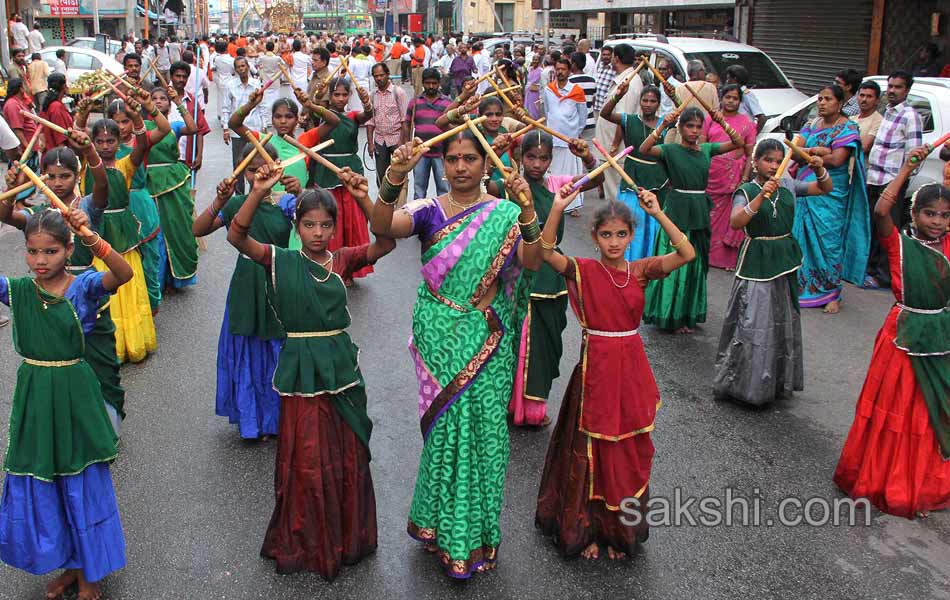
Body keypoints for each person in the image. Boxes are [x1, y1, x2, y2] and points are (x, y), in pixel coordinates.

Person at [370, 132, 542, 578]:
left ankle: (475, 533)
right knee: (446, 430)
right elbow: (383, 226)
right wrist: (392, 178)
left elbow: (533, 261)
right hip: (439, 332)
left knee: (485, 436)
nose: (461, 167)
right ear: (443, 164)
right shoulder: (429, 211)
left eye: (470, 158)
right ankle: (437, 525)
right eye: (453, 159)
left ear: (487, 164)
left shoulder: (504, 213)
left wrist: (527, 211)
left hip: (488, 336)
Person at [228, 163, 394, 580]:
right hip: (300, 372)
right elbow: (236, 236)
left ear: (335, 228)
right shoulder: (278, 261)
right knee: (305, 455)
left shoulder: (342, 260)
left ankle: (345, 535)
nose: (318, 232)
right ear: (297, 227)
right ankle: (306, 538)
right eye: (308, 225)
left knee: (345, 449)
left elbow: (386, 243)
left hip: (340, 370)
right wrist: (257, 191)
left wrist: (361, 196)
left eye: (325, 225)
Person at [535, 187, 695, 561]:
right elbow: (544, 253)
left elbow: (686, 253)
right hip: (595, 371)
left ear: (631, 235)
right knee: (589, 451)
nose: (614, 241)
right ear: (594, 237)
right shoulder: (584, 270)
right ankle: (589, 528)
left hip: (630, 369)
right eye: (606, 234)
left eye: (621, 234)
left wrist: (657, 213)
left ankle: (618, 530)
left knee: (626, 448)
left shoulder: (640, 271)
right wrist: (557, 208)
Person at [0, 204, 131, 600]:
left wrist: (92, 236)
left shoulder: (84, 286)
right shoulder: (18, 290)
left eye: (51, 251)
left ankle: (91, 573)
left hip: (75, 395)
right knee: (49, 479)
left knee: (80, 480)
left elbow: (123, 274)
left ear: (69, 249)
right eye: (33, 251)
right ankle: (70, 566)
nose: (40, 261)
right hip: (35, 396)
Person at [833, 155, 950, 519]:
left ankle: (922, 479)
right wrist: (905, 171)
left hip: (941, 338)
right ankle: (887, 479)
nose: (937, 222)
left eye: (945, 215)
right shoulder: (899, 245)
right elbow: (882, 212)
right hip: (902, 338)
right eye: (930, 213)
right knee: (897, 409)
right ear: (914, 214)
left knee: (930, 412)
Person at [2, 139, 125, 432]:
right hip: (49, 301)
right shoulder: (39, 217)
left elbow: (103, 187)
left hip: (88, 296)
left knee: (102, 369)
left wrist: (91, 152)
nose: (57, 183)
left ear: (76, 174)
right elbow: (5, 215)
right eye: (50, 176)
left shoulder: (86, 209)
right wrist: (10, 190)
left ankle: (105, 429)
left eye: (65, 176)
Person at [192, 143, 301, 440]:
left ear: (277, 168)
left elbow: (315, 225)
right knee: (249, 345)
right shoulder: (237, 203)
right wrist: (219, 200)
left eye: (263, 169)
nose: (258, 176)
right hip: (246, 283)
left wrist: (301, 193)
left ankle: (282, 416)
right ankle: (253, 419)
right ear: (242, 170)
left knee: (278, 344)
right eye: (251, 170)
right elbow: (198, 230)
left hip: (279, 276)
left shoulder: (286, 203)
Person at [713, 139, 833, 406]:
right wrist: (761, 196)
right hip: (757, 263)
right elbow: (736, 221)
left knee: (782, 321)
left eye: (779, 161)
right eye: (768, 160)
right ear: (755, 162)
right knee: (754, 322)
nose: (774, 166)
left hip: (784, 262)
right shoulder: (746, 190)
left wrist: (819, 169)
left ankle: (776, 382)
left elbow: (824, 188)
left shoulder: (788, 184)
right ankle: (745, 385)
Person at [508, 131, 602, 427]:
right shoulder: (512, 184)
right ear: (521, 158)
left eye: (544, 158)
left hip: (552, 270)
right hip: (521, 266)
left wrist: (585, 155)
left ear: (551, 159)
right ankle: (510, 405)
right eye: (531, 157)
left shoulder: (556, 185)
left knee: (546, 344)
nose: (537, 164)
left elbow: (596, 180)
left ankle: (533, 408)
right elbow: (486, 184)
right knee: (517, 342)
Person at [638, 106, 745, 333]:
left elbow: (739, 144)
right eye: (689, 126)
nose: (695, 131)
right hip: (677, 210)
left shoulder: (706, 150)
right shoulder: (670, 150)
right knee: (676, 262)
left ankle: (687, 313)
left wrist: (720, 120)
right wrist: (664, 124)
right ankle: (671, 314)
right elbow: (644, 148)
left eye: (698, 126)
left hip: (699, 210)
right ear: (681, 127)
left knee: (696, 264)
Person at [82, 94, 164, 363]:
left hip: (124, 235)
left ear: (119, 143)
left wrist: (138, 116)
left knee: (128, 283)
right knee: (101, 284)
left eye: (110, 141)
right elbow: (75, 139)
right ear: (93, 143)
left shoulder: (126, 164)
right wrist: (81, 114)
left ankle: (133, 342)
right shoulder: (86, 164)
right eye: (100, 141)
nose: (105, 146)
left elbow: (142, 144)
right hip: (96, 232)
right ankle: (108, 344)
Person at [793, 84, 870, 313]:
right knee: (800, 238)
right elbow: (795, 151)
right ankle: (801, 287)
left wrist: (814, 152)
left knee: (829, 242)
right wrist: (822, 151)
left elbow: (837, 160)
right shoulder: (811, 124)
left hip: (830, 193)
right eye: (819, 99)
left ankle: (832, 293)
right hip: (806, 186)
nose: (822, 103)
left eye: (827, 99)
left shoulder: (847, 129)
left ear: (840, 103)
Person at [306, 76, 374, 283]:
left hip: (350, 171)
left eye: (345, 94)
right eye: (336, 94)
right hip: (327, 171)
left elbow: (368, 114)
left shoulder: (353, 116)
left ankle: (350, 268)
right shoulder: (325, 117)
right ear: (330, 95)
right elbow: (314, 110)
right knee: (331, 219)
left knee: (351, 221)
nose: (341, 99)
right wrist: (316, 97)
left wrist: (367, 102)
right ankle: (328, 265)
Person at [864, 71, 922, 290]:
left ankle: (885, 276)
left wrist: (901, 180)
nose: (892, 91)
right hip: (875, 178)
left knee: (888, 228)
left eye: (898, 87)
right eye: (890, 86)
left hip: (892, 181)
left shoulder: (910, 115)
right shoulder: (887, 113)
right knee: (874, 226)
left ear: (906, 90)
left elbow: (914, 155)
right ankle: (871, 270)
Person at [600, 84, 669, 260]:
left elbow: (683, 115)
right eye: (645, 100)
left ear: (658, 103)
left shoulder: (665, 124)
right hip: (631, 178)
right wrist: (617, 95)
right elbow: (605, 114)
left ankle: (648, 261)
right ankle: (626, 259)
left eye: (653, 101)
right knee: (630, 219)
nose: (648, 104)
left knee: (652, 223)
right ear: (639, 102)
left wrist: (674, 95)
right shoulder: (629, 120)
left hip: (656, 180)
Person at [144, 86, 200, 293]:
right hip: (148, 184)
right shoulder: (141, 126)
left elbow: (193, 128)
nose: (158, 101)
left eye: (162, 99)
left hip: (173, 184)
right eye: (153, 98)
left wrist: (179, 101)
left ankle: (175, 278)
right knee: (154, 232)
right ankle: (155, 281)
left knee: (176, 229)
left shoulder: (174, 126)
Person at [702, 84, 756, 270]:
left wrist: (745, 178)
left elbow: (750, 154)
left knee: (729, 218)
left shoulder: (747, 123)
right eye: (728, 97)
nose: (731, 101)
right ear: (721, 98)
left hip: (733, 177)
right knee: (709, 215)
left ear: (740, 101)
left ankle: (726, 260)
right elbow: (701, 147)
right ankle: (704, 254)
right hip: (711, 175)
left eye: (735, 98)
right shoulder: (710, 119)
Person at [595, 44, 643, 204]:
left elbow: (624, 118)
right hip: (610, 145)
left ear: (616, 59)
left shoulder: (630, 82)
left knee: (615, 192)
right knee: (610, 188)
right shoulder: (624, 79)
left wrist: (614, 146)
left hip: (616, 149)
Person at [541, 57, 589, 213]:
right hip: (553, 139)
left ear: (569, 71)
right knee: (554, 173)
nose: (560, 72)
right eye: (558, 69)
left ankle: (573, 205)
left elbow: (582, 117)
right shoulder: (549, 89)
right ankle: (554, 202)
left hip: (570, 141)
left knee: (571, 175)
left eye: (563, 69)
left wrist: (576, 133)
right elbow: (547, 112)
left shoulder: (576, 91)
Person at [402, 68, 452, 199]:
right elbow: (407, 123)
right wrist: (408, 144)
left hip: (441, 154)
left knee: (444, 189)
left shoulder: (447, 103)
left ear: (439, 83)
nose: (431, 86)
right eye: (428, 83)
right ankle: (419, 217)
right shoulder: (415, 102)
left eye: (434, 83)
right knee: (419, 190)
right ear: (423, 83)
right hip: (419, 153)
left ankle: (444, 217)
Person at [221, 56, 263, 195]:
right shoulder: (230, 85)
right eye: (238, 67)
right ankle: (239, 196)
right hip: (237, 131)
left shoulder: (257, 84)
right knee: (239, 165)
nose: (241, 69)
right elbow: (226, 108)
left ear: (248, 67)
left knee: (256, 164)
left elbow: (263, 106)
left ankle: (255, 194)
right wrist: (225, 129)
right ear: (236, 69)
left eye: (243, 66)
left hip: (254, 128)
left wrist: (264, 126)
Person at [367, 62, 408, 185]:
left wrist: (402, 143)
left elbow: (404, 120)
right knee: (381, 176)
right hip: (380, 140)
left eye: (381, 75)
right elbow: (370, 121)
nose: (379, 78)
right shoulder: (373, 95)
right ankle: (384, 202)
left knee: (399, 175)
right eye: (376, 76)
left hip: (396, 139)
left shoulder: (398, 93)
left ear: (388, 75)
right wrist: (370, 143)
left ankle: (400, 202)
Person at [724, 64, 766, 133]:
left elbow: (762, 118)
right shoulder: (733, 94)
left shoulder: (747, 95)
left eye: (729, 78)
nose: (727, 81)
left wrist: (753, 135)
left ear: (735, 79)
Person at [38, 72, 72, 149]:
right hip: (57, 154)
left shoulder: (48, 105)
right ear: (64, 86)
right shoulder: (56, 107)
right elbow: (60, 138)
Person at [568, 52, 596, 132]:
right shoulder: (592, 80)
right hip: (590, 122)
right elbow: (593, 101)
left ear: (574, 64)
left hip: (574, 123)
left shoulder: (569, 81)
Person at [211, 41, 236, 126]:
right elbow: (233, 71)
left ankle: (222, 117)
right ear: (226, 48)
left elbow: (215, 68)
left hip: (221, 81)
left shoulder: (217, 59)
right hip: (230, 80)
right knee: (229, 101)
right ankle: (227, 119)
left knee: (222, 99)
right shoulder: (231, 60)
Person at [855, 80, 883, 154]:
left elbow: (864, 147)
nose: (864, 99)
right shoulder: (851, 118)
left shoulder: (879, 121)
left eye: (869, 96)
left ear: (877, 100)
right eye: (862, 95)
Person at [592, 46, 614, 115]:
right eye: (604, 55)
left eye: (608, 55)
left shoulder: (614, 69)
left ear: (612, 56)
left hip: (606, 108)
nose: (606, 57)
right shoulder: (599, 66)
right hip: (596, 106)